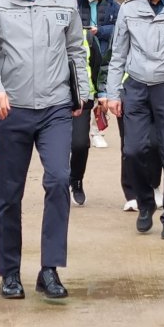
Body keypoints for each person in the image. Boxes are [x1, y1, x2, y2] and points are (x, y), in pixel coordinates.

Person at [0, 0, 89, 300]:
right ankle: (10, 271)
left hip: (55, 107)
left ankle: (50, 269)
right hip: (12, 110)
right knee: (9, 193)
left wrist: (82, 93)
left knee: (58, 181)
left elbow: (76, 49)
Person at [106, 0, 164, 240]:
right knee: (133, 150)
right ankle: (145, 203)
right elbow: (119, 53)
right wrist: (112, 92)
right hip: (137, 88)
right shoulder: (129, 9)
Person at [77, 0, 119, 148]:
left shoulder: (112, 5)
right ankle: (82, 131)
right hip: (83, 51)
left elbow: (119, 27)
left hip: (103, 51)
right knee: (86, 91)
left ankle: (97, 131)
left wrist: (99, 31)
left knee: (102, 93)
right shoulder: (75, 3)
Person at [69, 29, 102, 206]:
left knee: (80, 143)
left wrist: (100, 94)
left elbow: (97, 64)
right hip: (53, 98)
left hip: (83, 98)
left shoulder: (87, 36)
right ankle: (57, 182)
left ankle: (76, 180)